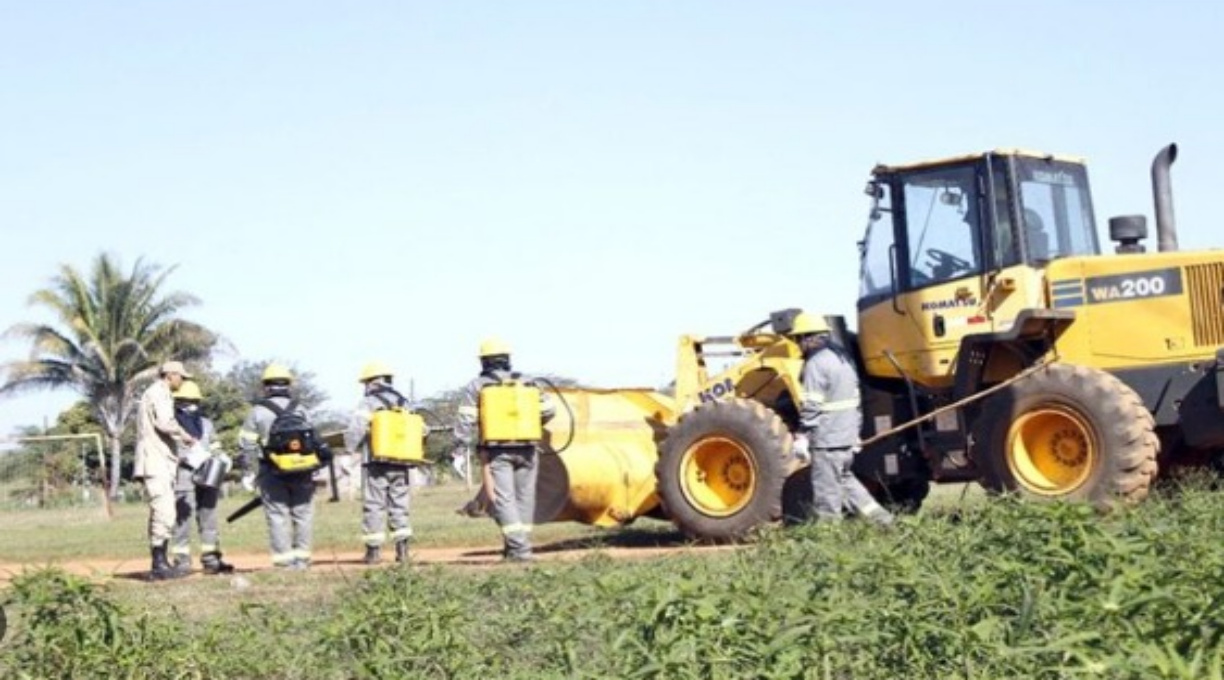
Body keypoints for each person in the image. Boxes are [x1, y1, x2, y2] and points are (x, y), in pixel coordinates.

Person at [789, 313, 894, 527]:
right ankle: (884, 521)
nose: (797, 345)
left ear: (808, 338)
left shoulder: (815, 364)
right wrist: (854, 434)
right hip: (846, 439)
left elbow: (812, 405)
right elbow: (856, 403)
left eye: (798, 339)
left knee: (827, 495)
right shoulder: (844, 361)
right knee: (848, 483)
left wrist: (802, 435)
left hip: (827, 441)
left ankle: (830, 541)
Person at [455, 338, 555, 562]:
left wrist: (459, 445)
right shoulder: (528, 382)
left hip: (497, 450)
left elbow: (465, 419)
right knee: (524, 498)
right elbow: (549, 410)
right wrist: (529, 425)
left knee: (503, 499)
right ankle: (515, 548)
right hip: (529, 448)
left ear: (484, 362)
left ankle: (520, 550)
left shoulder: (478, 385)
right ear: (507, 359)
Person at [238, 364, 331, 569]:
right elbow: (313, 440)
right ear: (289, 385)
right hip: (302, 470)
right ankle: (303, 559)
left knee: (277, 514)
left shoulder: (257, 412)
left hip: (271, 470)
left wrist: (249, 472)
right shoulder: (301, 409)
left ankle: (283, 561)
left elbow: (247, 445)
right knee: (303, 513)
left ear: (265, 387)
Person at [345, 361, 419, 565]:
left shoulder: (368, 403)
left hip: (376, 463)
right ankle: (402, 551)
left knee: (374, 506)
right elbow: (420, 429)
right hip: (402, 463)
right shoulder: (404, 402)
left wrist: (349, 450)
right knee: (400, 506)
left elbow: (356, 429)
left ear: (371, 382)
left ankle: (373, 553)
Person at [133, 360, 196, 581]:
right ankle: (159, 563)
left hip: (160, 459)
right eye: (181, 377)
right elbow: (164, 423)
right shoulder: (159, 393)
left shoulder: (159, 392)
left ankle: (161, 561)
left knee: (162, 511)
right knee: (164, 511)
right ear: (170, 375)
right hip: (155, 460)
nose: (182, 381)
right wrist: (184, 435)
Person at [169, 380, 235, 576]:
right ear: (176, 402)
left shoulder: (206, 423)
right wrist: (183, 458)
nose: (189, 405)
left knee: (209, 517)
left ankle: (211, 559)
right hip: (183, 474)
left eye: (193, 401)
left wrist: (221, 456)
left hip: (208, 473)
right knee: (183, 519)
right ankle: (182, 561)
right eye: (183, 401)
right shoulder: (170, 424)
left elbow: (214, 444)